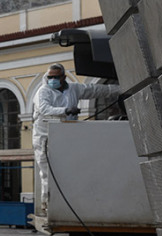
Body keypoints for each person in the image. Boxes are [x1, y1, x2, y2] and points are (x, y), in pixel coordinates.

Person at [32, 63, 120, 210]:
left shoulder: (73, 89)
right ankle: (48, 205)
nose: (52, 80)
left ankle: (70, 203)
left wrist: (121, 89)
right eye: (50, 77)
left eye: (56, 77)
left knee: (69, 169)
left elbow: (95, 90)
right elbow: (45, 109)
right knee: (47, 171)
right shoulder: (43, 91)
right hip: (44, 136)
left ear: (63, 77)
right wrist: (66, 110)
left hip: (67, 134)